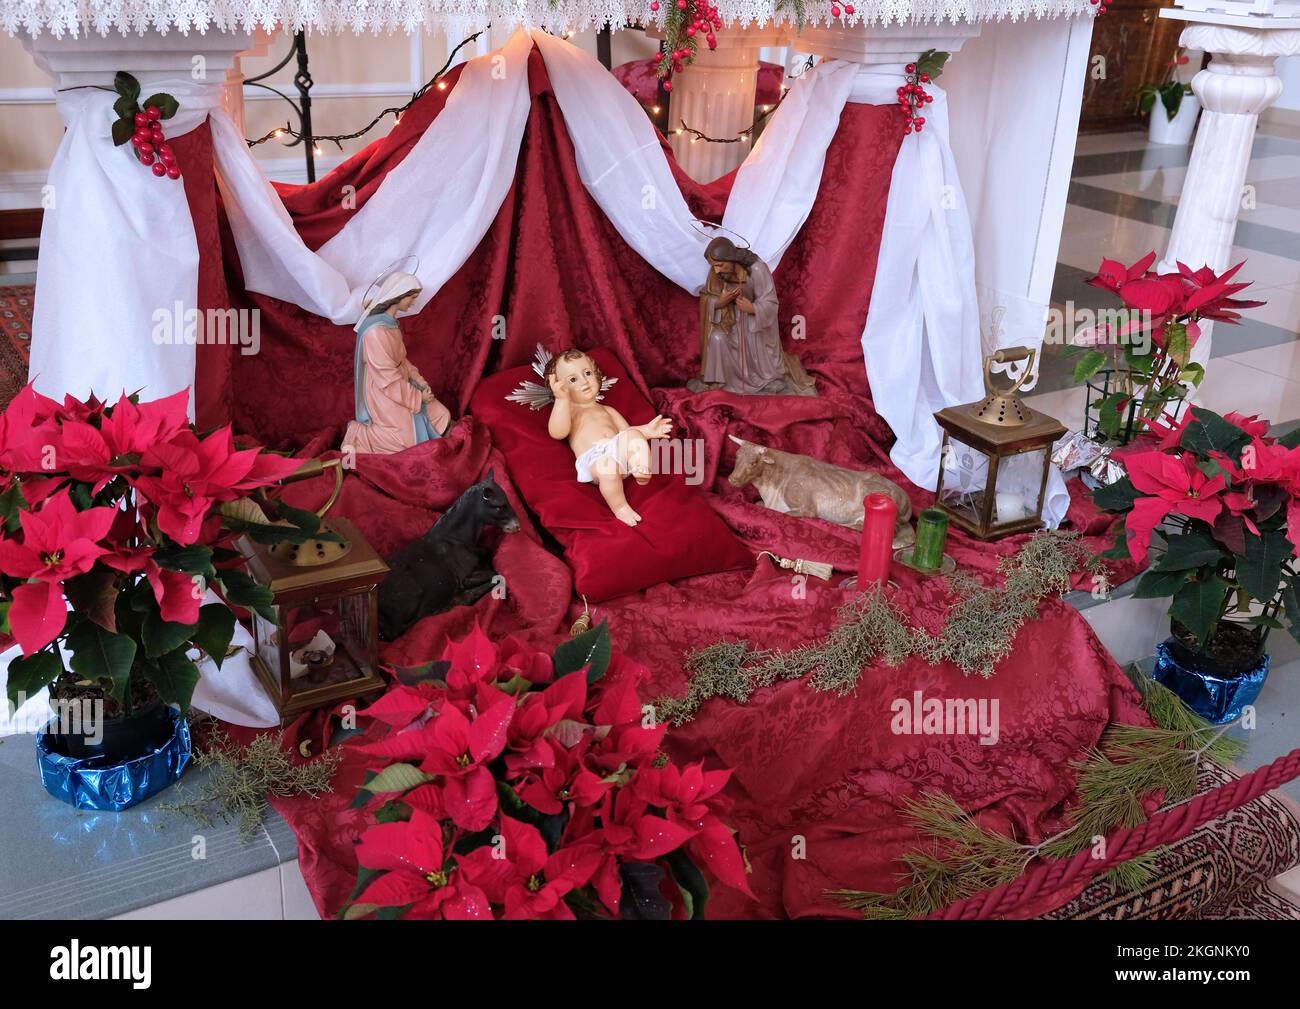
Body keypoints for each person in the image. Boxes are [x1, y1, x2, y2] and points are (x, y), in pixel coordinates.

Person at [545, 349, 672, 528]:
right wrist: (561, 400)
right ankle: (620, 507)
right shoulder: (570, 413)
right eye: (573, 379)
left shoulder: (607, 410)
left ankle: (641, 467)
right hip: (596, 457)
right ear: (559, 387)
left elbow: (626, 433)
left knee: (633, 436)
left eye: (587, 373)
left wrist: (647, 430)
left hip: (617, 449)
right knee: (607, 467)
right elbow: (557, 432)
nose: (584, 381)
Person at [341, 271, 452, 455]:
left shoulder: (391, 323)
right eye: (412, 297)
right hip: (384, 390)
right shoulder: (375, 332)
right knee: (405, 442)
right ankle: (358, 435)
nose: (414, 302)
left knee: (441, 416)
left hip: (401, 383)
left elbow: (403, 361)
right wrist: (416, 398)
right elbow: (386, 377)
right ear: (398, 295)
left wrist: (421, 383)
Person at [692, 237, 815, 396]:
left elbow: (770, 302)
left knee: (752, 337)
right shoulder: (717, 273)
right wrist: (720, 302)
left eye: (719, 265)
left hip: (756, 323)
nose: (716, 271)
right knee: (716, 337)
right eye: (713, 266)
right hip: (731, 321)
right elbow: (708, 297)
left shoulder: (757, 269)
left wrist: (753, 308)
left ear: (730, 258)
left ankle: (766, 380)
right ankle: (723, 382)